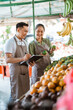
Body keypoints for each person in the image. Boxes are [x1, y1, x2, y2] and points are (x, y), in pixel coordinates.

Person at [4, 22, 33, 101]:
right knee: (15, 96)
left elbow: (25, 58)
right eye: (24, 31)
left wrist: (30, 62)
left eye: (27, 31)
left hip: (25, 73)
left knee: (25, 96)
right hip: (16, 74)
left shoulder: (25, 42)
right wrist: (22, 59)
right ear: (18, 29)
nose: (26, 33)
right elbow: (8, 59)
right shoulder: (10, 42)